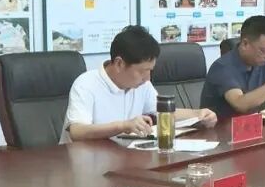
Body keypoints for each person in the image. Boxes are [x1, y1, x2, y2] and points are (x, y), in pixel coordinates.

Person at [61, 26, 217, 143]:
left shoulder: (142, 84)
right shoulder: (86, 84)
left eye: (150, 70)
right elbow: (77, 132)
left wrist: (198, 114)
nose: (147, 78)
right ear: (119, 63)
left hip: (121, 157)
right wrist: (123, 126)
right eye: (143, 71)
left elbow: (164, 112)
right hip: (81, 163)